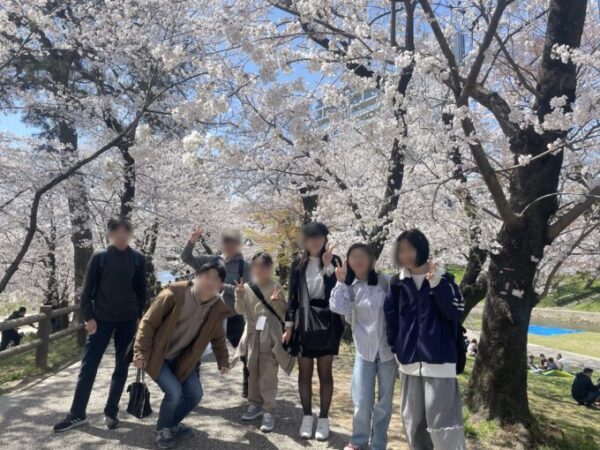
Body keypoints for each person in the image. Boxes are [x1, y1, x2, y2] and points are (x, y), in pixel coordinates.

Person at [53, 217, 147, 432]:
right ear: (110, 234)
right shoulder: (100, 257)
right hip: (101, 319)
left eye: (125, 232)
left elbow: (142, 291)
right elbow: (87, 291)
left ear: (130, 234)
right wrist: (88, 317)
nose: (121, 236)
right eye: (117, 232)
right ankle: (77, 414)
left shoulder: (138, 259)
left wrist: (140, 317)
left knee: (122, 367)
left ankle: (111, 413)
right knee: (88, 366)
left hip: (128, 320)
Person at [134, 261, 234, 449]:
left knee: (195, 394)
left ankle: (172, 423)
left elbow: (218, 337)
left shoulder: (216, 307)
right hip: (158, 356)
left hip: (182, 359)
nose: (210, 282)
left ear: (221, 285)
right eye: (207, 276)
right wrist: (140, 352)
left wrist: (223, 361)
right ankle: (162, 429)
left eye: (216, 279)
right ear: (196, 276)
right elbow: (148, 322)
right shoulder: (174, 294)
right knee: (174, 392)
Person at [384, 228, 467, 450]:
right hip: (409, 363)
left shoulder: (445, 280)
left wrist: (436, 284)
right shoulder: (397, 284)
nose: (406, 255)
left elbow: (455, 313)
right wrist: (397, 349)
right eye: (401, 251)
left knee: (443, 422)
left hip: (440, 362)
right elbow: (391, 321)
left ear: (422, 249)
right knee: (412, 420)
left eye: (410, 249)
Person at [330, 243, 397, 450]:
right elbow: (337, 307)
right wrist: (340, 283)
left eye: (362, 256)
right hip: (364, 352)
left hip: (387, 352)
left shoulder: (385, 282)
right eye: (353, 257)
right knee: (361, 400)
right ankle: (358, 441)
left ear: (372, 260)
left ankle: (378, 444)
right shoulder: (350, 287)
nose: (358, 260)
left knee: (384, 403)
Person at [283, 222, 344, 441]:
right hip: (303, 323)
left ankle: (324, 419)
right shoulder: (297, 265)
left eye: (319, 237)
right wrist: (288, 327)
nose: (315, 241)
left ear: (325, 238)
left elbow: (338, 293)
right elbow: (292, 298)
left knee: (325, 374)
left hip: (327, 322)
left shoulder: (335, 261)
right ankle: (307, 417)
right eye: (310, 237)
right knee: (304, 373)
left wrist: (328, 268)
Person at [181, 226, 251, 396]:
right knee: (195, 352)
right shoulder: (212, 261)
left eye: (233, 242)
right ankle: (192, 390)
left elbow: (246, 290)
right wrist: (192, 241)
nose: (229, 245)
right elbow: (186, 258)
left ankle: (249, 387)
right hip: (207, 316)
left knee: (246, 353)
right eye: (226, 242)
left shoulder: (244, 266)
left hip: (233, 315)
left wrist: (222, 286)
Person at [234, 252, 294, 433]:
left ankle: (269, 410)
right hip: (253, 334)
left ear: (270, 268)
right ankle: (254, 404)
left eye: (264, 266)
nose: (260, 269)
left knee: (268, 373)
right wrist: (239, 295)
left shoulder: (276, 286)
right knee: (252, 370)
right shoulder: (246, 287)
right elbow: (240, 311)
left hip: (270, 334)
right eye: (256, 266)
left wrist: (277, 302)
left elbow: (283, 313)